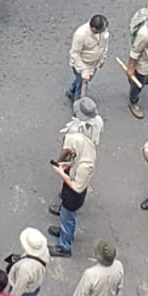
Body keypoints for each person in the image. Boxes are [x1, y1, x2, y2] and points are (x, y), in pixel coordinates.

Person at [50, 101, 98, 256]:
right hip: (72, 181)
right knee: (65, 213)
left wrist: (62, 173)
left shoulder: (86, 166)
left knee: (68, 216)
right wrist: (68, 164)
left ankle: (65, 246)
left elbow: (77, 187)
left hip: (75, 194)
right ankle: (64, 233)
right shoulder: (84, 146)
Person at [66, 14, 109, 102]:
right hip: (83, 65)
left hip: (93, 64)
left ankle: (70, 91)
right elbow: (75, 54)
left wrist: (102, 59)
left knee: (80, 82)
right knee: (81, 87)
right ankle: (78, 106)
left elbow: (104, 45)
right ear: (94, 29)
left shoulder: (102, 32)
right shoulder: (80, 35)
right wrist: (83, 70)